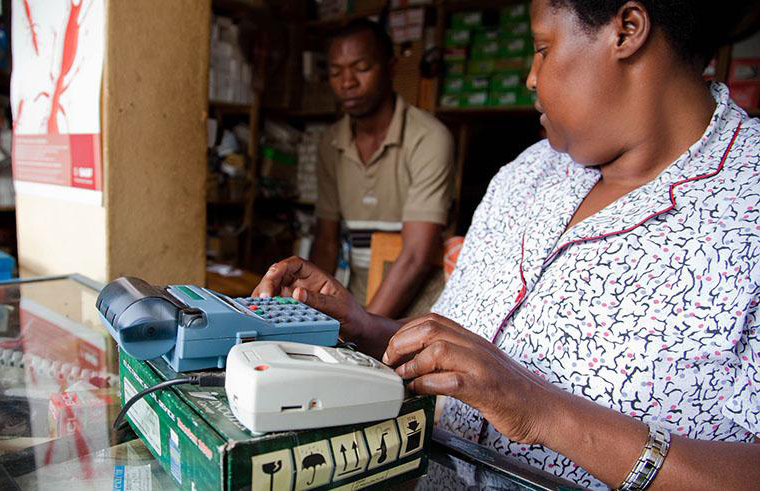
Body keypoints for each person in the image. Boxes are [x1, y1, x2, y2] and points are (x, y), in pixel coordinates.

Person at [254, 0, 760, 489]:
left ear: (626, 30)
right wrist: (367, 327)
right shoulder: (526, 175)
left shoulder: (745, 205)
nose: (531, 77)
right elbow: (469, 356)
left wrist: (539, 409)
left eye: (542, 48)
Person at [311, 19, 455, 319]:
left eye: (361, 68)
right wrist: (313, 315)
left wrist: (362, 328)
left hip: (414, 306)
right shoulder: (330, 143)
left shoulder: (429, 138)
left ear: (390, 68)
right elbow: (327, 241)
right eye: (336, 72)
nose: (347, 82)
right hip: (353, 297)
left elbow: (416, 255)